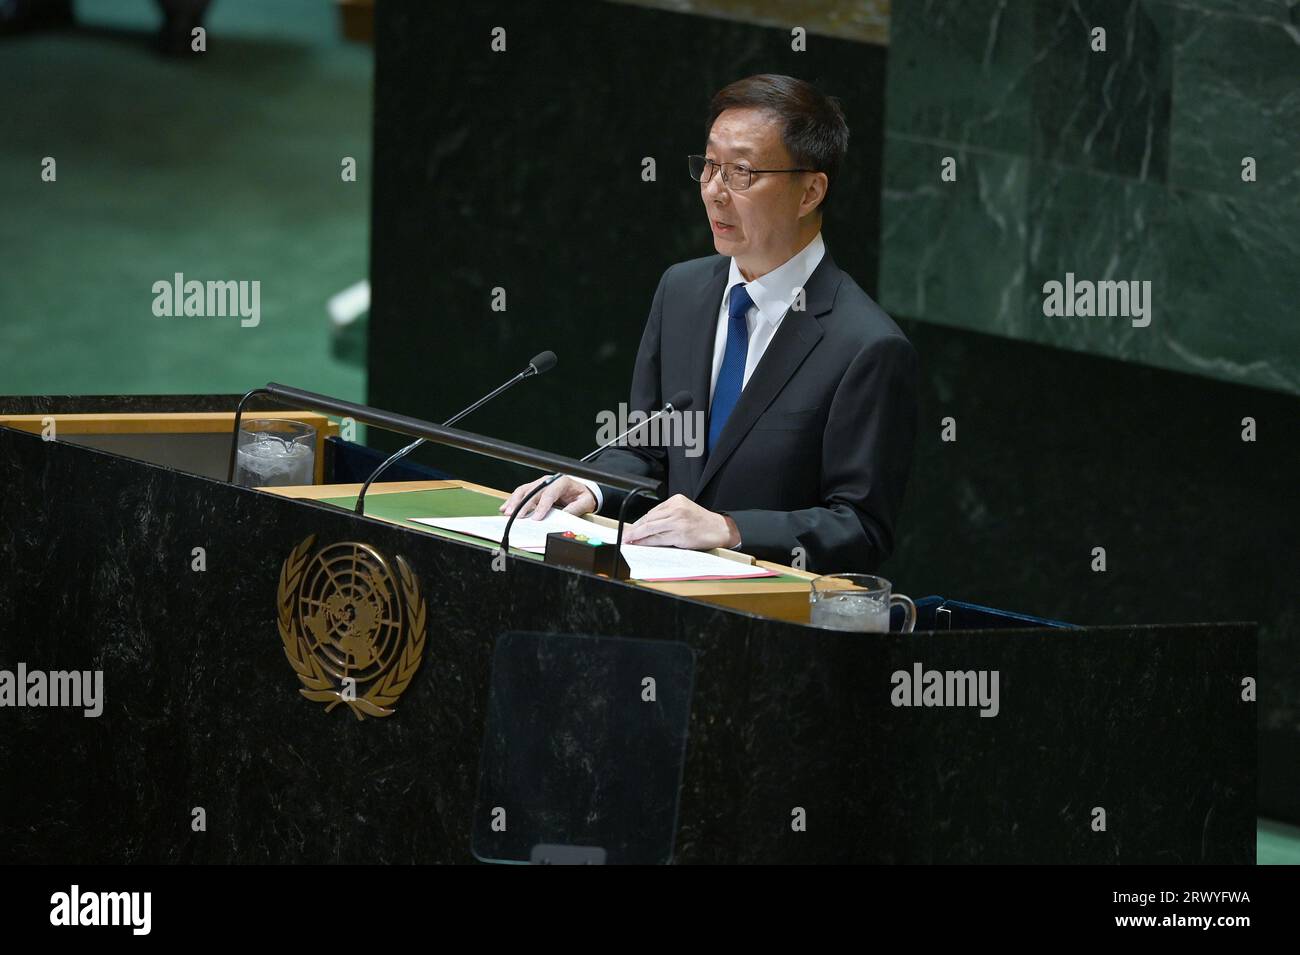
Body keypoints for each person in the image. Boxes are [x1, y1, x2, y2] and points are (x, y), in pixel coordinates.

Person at [501, 74, 919, 574]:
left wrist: (730, 529)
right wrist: (590, 485)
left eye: (741, 172)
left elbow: (861, 527)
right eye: (709, 166)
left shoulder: (866, 346)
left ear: (810, 191)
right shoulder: (681, 291)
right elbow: (645, 448)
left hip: (768, 621)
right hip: (655, 596)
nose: (714, 192)